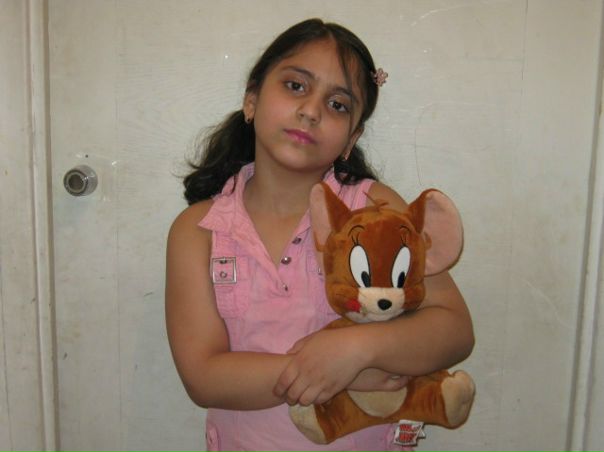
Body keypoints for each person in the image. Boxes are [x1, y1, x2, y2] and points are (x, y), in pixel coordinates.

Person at [165, 18, 474, 452]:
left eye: (338, 105)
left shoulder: (375, 210)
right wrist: (333, 371)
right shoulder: (197, 231)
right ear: (251, 100)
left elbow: (455, 329)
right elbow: (203, 377)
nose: (311, 111)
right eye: (295, 86)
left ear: (352, 138)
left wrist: (358, 348)